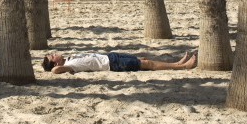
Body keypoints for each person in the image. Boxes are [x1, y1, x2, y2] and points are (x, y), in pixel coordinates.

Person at [42, 51, 196, 74]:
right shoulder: (68, 66)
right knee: (147, 64)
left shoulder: (69, 58)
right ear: (55, 64)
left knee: (143, 59)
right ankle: (182, 66)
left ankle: (177, 63)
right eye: (52, 56)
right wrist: (55, 68)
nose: (54, 54)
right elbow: (55, 72)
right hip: (113, 65)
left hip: (110, 56)